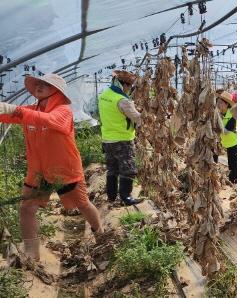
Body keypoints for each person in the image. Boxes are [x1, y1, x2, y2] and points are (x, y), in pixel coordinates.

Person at [0, 73, 104, 261]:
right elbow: (8, 116)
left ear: (56, 90)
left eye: (45, 84)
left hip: (65, 171)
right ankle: (32, 254)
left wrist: (16, 110)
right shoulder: (32, 110)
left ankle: (101, 235)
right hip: (39, 173)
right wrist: (8, 110)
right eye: (37, 84)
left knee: (82, 205)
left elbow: (49, 120)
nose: (39, 86)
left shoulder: (64, 111)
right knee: (27, 208)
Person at [98, 70, 142, 206]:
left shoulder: (105, 95)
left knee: (112, 169)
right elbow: (137, 118)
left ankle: (111, 196)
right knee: (128, 169)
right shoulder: (122, 100)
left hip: (107, 138)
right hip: (122, 140)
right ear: (123, 85)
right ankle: (126, 197)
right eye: (129, 86)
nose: (130, 89)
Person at [217, 91, 237, 184]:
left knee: (234, 164)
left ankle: (234, 182)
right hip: (224, 142)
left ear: (227, 104)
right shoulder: (220, 113)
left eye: (221, 103)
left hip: (233, 142)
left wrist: (217, 124)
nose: (219, 104)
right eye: (218, 102)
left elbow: (225, 131)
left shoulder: (232, 115)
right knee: (215, 158)